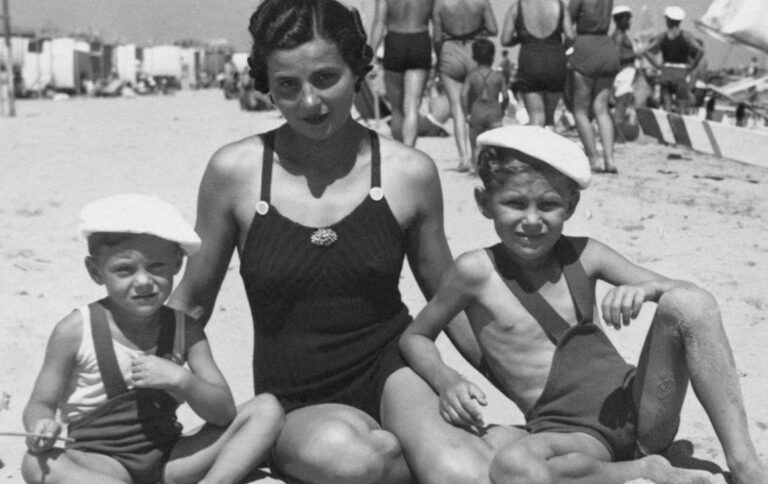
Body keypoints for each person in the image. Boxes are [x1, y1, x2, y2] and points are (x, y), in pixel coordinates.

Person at [169, 1, 505, 482]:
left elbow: (448, 299)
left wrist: (533, 390)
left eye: (326, 77)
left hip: (393, 372)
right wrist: (112, 383)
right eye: (287, 85)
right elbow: (191, 304)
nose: (309, 101)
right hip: (293, 397)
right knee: (355, 459)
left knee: (459, 470)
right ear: (266, 85)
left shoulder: (409, 173)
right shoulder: (236, 173)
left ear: (358, 71)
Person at [400, 125, 768, 484]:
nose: (532, 220)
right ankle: (644, 471)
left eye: (548, 205)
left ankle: (746, 464)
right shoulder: (474, 272)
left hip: (642, 407)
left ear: (571, 206)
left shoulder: (586, 255)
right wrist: (446, 379)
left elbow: (696, 299)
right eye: (514, 203)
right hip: (575, 437)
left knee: (689, 304)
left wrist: (649, 289)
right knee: (513, 466)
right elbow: (416, 336)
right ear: (485, 203)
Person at [21, 194, 284, 484]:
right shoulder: (75, 330)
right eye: (124, 270)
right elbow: (41, 403)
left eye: (157, 266)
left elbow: (223, 412)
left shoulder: (186, 330)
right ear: (95, 271)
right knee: (36, 462)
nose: (144, 281)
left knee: (267, 409)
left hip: (170, 458)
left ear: (177, 263)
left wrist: (182, 381)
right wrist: (41, 427)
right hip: (101, 464)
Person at [433, 0, 498, 172]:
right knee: (479, 107)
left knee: (456, 108)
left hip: (450, 50)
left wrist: (440, 58)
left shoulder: (440, 4)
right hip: (475, 50)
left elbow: (437, 38)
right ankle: (479, 156)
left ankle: (464, 158)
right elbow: (493, 29)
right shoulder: (481, 1)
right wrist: (477, 30)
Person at [370, 0, 434, 147]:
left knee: (397, 108)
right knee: (412, 105)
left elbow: (379, 22)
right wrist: (438, 50)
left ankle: (399, 150)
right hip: (420, 40)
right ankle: (410, 150)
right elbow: (436, 21)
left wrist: (371, 54)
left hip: (395, 42)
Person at [500, 0, 573, 127]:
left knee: (536, 118)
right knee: (550, 118)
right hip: (555, 61)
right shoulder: (560, 5)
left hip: (530, 62)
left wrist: (522, 37)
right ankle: (550, 144)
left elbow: (505, 39)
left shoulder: (517, 7)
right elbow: (570, 36)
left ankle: (537, 145)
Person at [568, 0, 620, 174]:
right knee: (602, 109)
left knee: (580, 110)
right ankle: (610, 159)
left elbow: (568, 20)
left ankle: (593, 159)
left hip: (585, 46)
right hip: (607, 46)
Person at [639, 6, 704, 114]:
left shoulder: (663, 36)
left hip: (666, 71)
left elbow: (645, 51)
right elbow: (701, 50)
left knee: (667, 109)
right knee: (682, 109)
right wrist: (693, 66)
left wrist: (657, 66)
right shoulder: (686, 36)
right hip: (681, 72)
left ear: (668, 20)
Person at [461, 39, 508, 173]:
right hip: (494, 111)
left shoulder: (472, 76)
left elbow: (463, 95)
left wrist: (466, 113)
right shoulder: (498, 76)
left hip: (477, 111)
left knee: (476, 144)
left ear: (474, 56)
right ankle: (495, 167)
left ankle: (474, 167)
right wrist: (502, 109)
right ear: (492, 56)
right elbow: (505, 96)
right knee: (496, 144)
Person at [610, 5, 636, 127]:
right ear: (620, 20)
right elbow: (616, 57)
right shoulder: (619, 36)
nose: (629, 22)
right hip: (623, 74)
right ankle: (616, 134)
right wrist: (635, 54)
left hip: (624, 74)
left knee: (622, 103)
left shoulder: (620, 35)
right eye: (627, 19)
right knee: (621, 104)